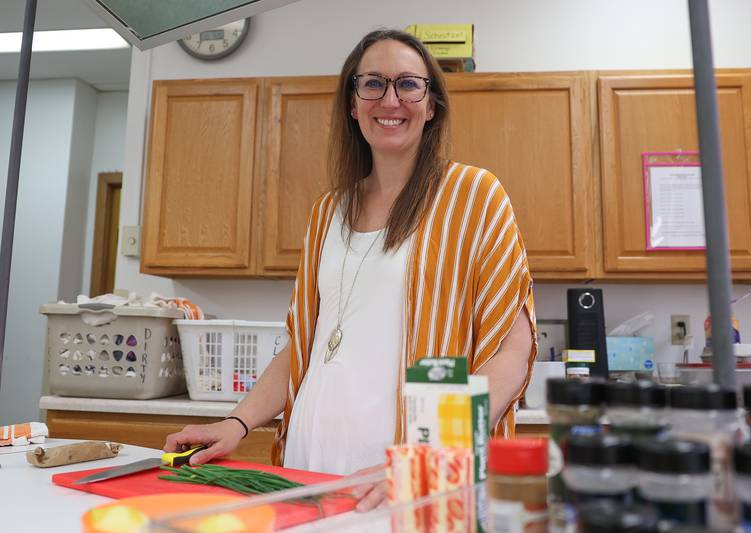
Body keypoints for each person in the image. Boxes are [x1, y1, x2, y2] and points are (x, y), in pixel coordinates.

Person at [164, 28, 537, 511]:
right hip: (307, 462)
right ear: (352, 103)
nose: (391, 99)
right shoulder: (328, 212)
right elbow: (306, 346)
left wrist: (426, 458)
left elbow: (512, 352)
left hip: (405, 471)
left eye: (408, 84)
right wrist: (235, 423)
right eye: (373, 84)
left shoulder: (474, 196)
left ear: (431, 105)